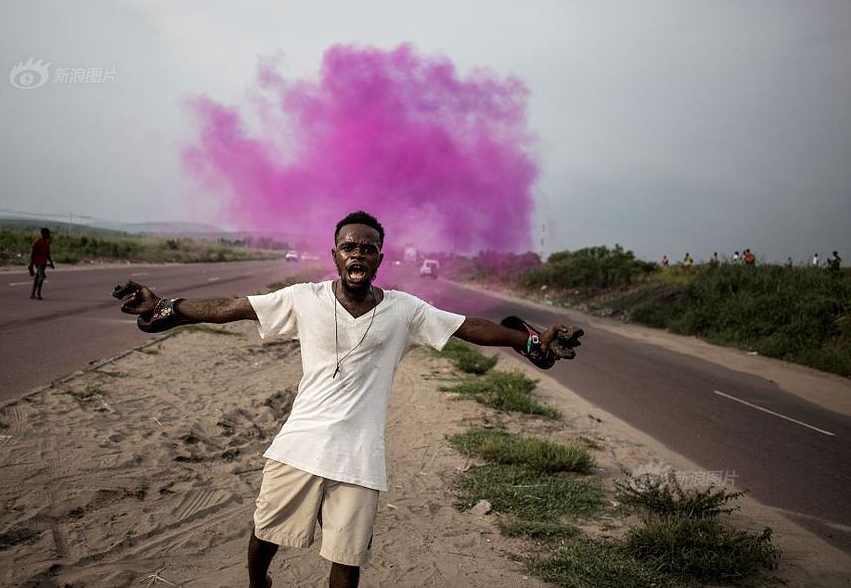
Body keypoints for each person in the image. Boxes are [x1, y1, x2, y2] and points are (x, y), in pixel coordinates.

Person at [114, 211, 582, 588]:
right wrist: (166, 309)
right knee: (264, 533)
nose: (358, 253)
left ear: (380, 257)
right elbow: (233, 308)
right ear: (335, 254)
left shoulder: (405, 310)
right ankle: (260, 584)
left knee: (347, 556)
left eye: (368, 248)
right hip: (299, 444)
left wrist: (528, 343)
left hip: (360, 454)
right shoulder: (305, 297)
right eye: (349, 246)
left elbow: (466, 327)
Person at [29, 227, 55, 299]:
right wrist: (31, 263)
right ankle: (38, 294)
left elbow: (48, 254)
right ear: (43, 233)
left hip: (43, 262)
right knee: (41, 277)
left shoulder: (47, 242)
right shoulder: (38, 241)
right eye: (47, 233)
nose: (48, 235)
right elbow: (33, 253)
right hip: (38, 262)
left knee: (37, 277)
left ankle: (33, 294)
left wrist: (51, 262)